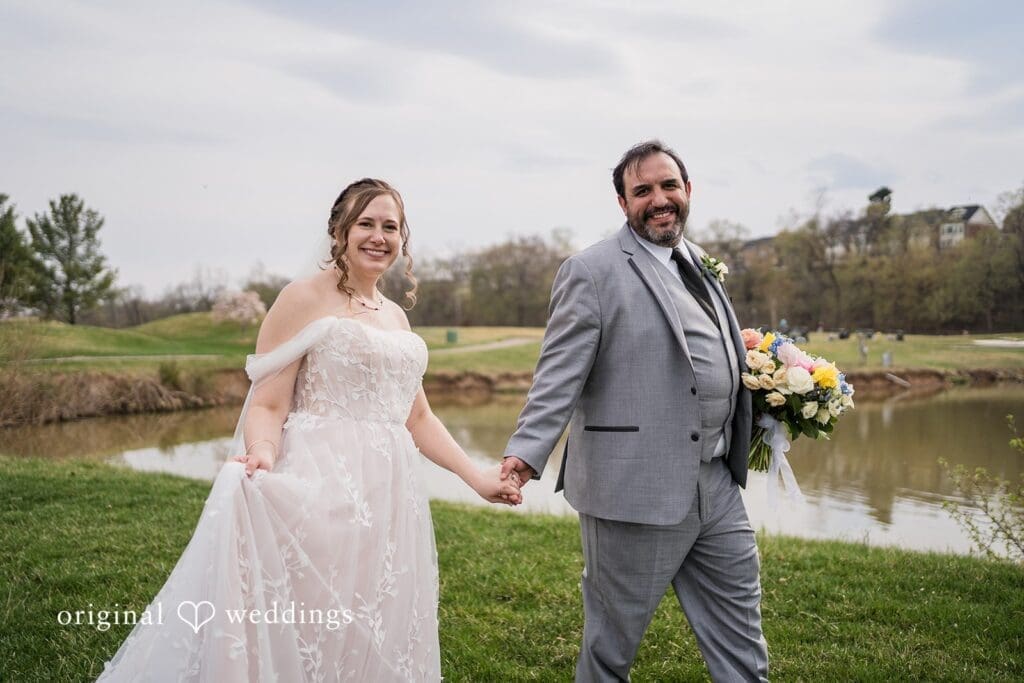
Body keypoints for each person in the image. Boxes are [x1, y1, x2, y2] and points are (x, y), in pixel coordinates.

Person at [98, 178, 521, 681]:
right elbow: (269, 403)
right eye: (366, 223)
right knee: (314, 620)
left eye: (391, 227)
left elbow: (417, 418)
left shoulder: (395, 318)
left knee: (374, 620)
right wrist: (262, 453)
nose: (378, 236)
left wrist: (477, 477)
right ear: (339, 230)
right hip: (320, 488)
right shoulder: (301, 298)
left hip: (390, 498)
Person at [501, 141, 769, 681]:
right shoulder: (591, 271)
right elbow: (558, 375)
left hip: (716, 485)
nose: (659, 199)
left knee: (742, 639)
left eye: (668, 186)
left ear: (688, 191)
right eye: (642, 190)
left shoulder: (702, 264)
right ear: (623, 203)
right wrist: (525, 457)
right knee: (611, 649)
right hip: (632, 489)